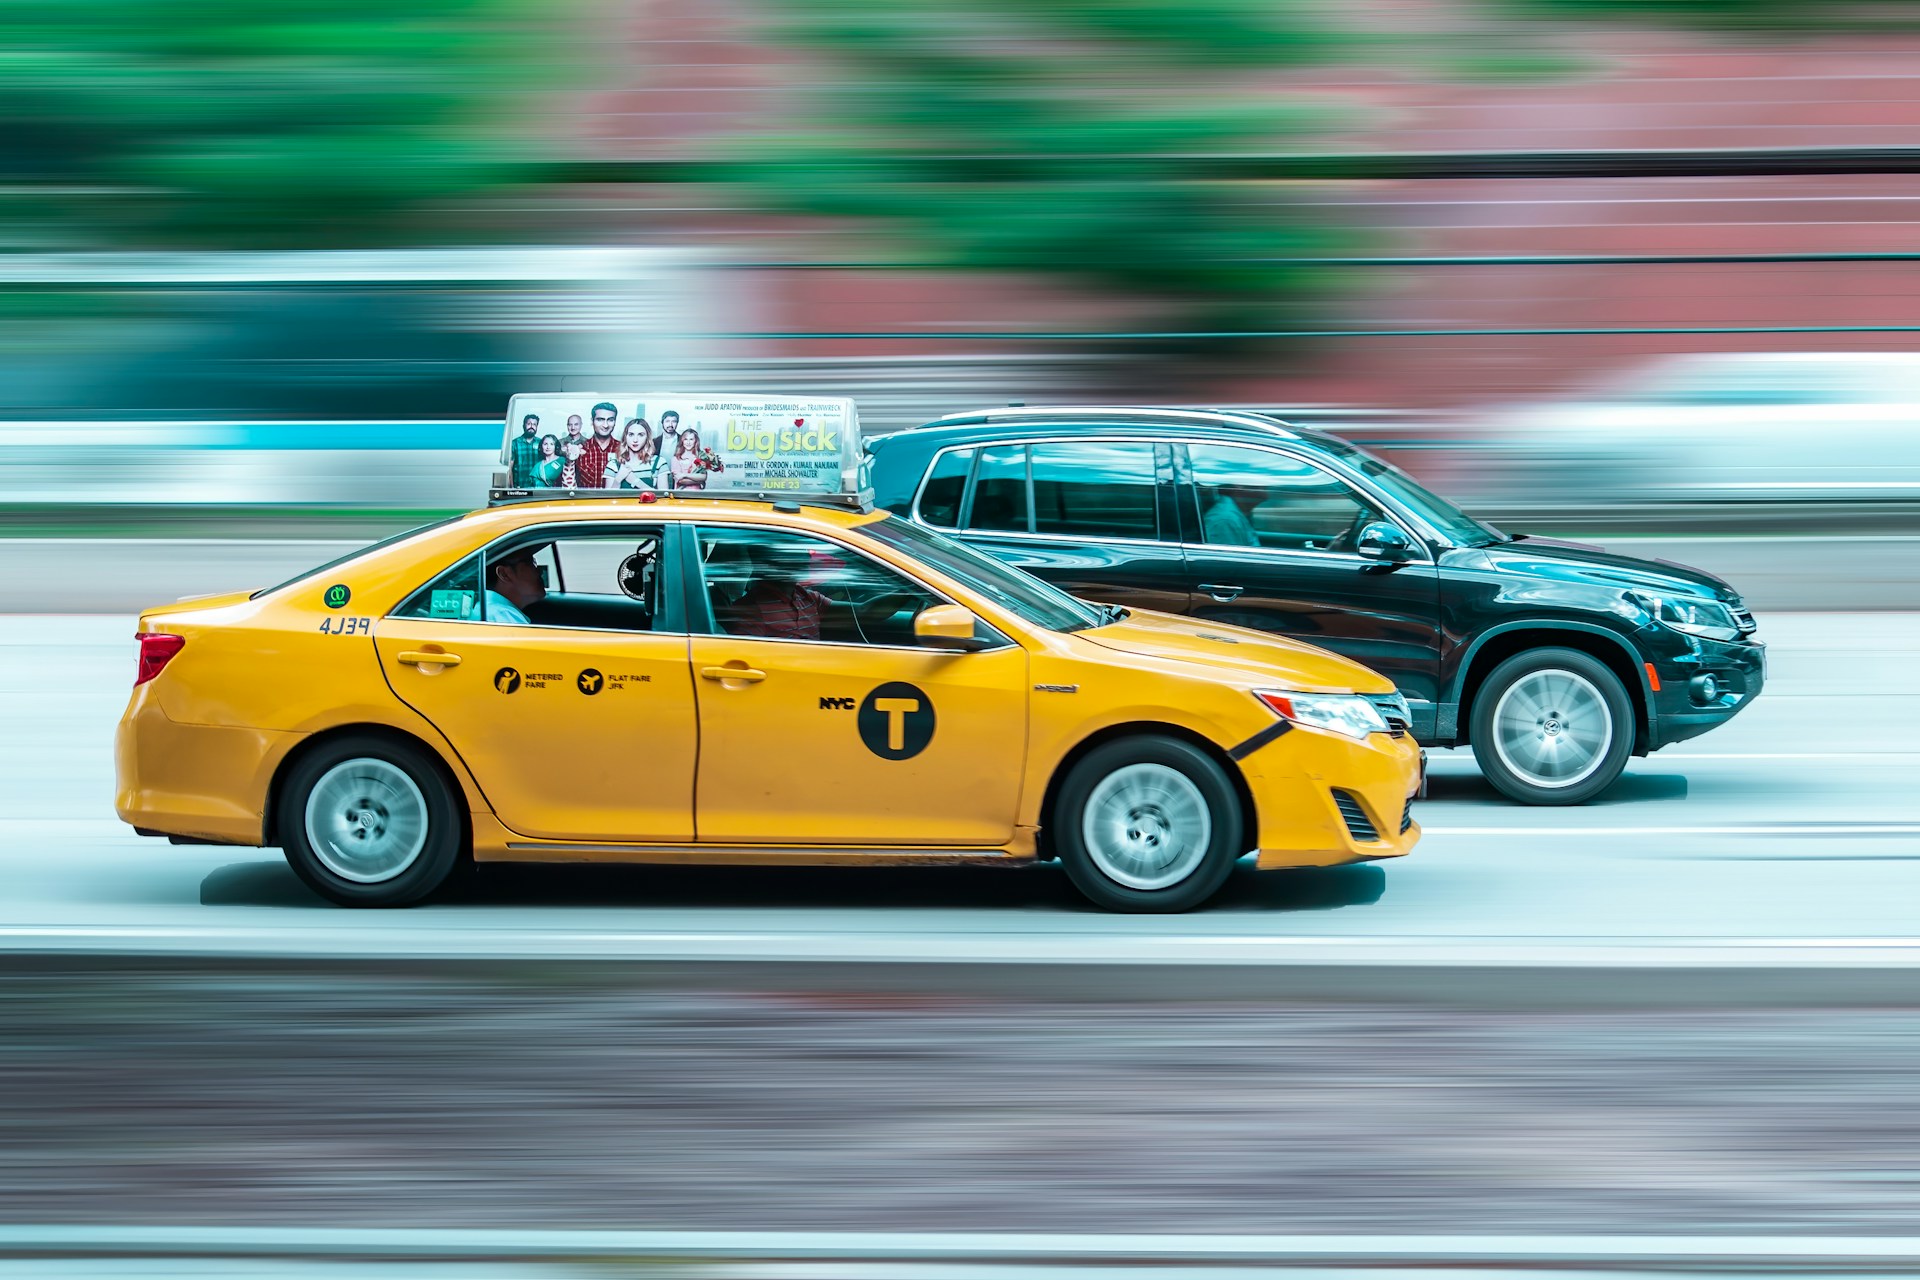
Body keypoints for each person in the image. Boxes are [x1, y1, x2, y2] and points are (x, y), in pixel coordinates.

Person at [708, 540, 830, 641]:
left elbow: (847, 611)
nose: (807, 557)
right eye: (794, 552)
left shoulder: (807, 596)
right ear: (773, 562)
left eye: (803, 551)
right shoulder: (750, 610)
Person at [484, 547, 546, 625]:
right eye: (529, 563)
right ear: (504, 574)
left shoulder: (490, 609)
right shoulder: (502, 616)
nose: (540, 571)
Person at [605, 418, 659, 490]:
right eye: (631, 435)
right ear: (625, 437)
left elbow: (664, 499)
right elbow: (607, 499)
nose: (635, 440)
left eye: (640, 435)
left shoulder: (658, 462)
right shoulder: (613, 465)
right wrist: (618, 480)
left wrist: (635, 481)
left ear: (647, 438)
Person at [578, 401, 620, 489]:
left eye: (610, 420)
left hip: (615, 501)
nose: (605, 425)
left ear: (615, 422)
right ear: (592, 421)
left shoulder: (623, 449)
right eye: (600, 419)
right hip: (587, 501)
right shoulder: (581, 449)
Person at [509, 413, 541, 487]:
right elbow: (509, 468)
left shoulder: (541, 443)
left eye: (534, 424)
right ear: (524, 425)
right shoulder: (514, 443)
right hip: (520, 486)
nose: (531, 426)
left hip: (538, 486)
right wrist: (511, 488)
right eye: (529, 423)